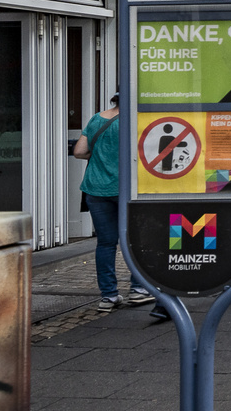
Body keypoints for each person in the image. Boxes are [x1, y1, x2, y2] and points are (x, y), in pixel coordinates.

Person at [73, 95, 154, 311]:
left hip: (95, 189)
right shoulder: (136, 121)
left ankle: (108, 296)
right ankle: (138, 290)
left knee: (106, 243)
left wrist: (100, 157)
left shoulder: (96, 119)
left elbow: (79, 151)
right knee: (136, 240)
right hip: (126, 189)